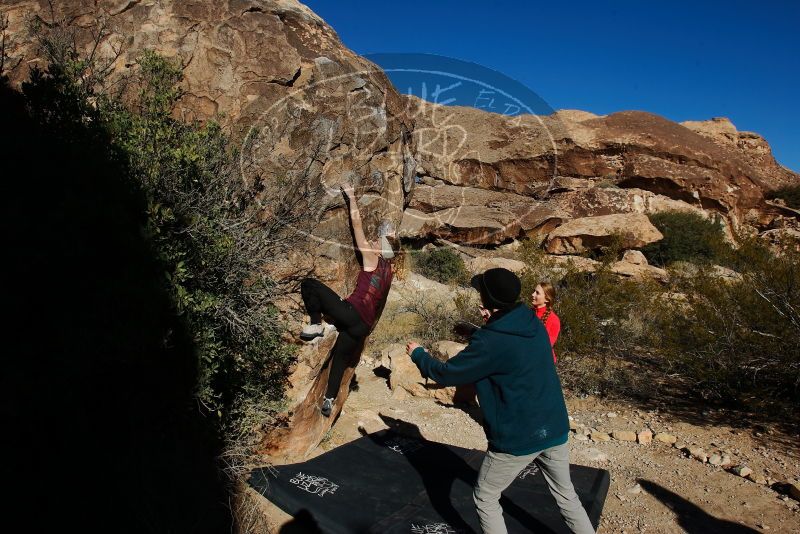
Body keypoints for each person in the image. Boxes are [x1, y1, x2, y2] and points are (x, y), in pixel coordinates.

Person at [405, 268, 594, 534]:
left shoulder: (490, 340)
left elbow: (446, 373)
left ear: (489, 303)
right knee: (566, 495)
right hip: (554, 425)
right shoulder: (532, 321)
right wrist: (477, 331)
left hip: (518, 436)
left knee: (485, 496)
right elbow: (508, 350)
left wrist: (419, 355)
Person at [299, 183, 399, 417]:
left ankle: (316, 324)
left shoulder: (371, 257)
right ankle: (329, 400)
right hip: (362, 327)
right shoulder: (388, 269)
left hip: (351, 313)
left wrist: (351, 196)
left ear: (380, 249)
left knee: (309, 284)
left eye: (377, 242)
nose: (373, 241)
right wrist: (391, 237)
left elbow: (357, 226)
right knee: (340, 360)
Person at [531, 281, 560, 363]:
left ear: (547, 299)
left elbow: (546, 345)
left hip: (543, 362)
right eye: (533, 291)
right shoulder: (527, 313)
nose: (533, 294)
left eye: (537, 293)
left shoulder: (554, 320)